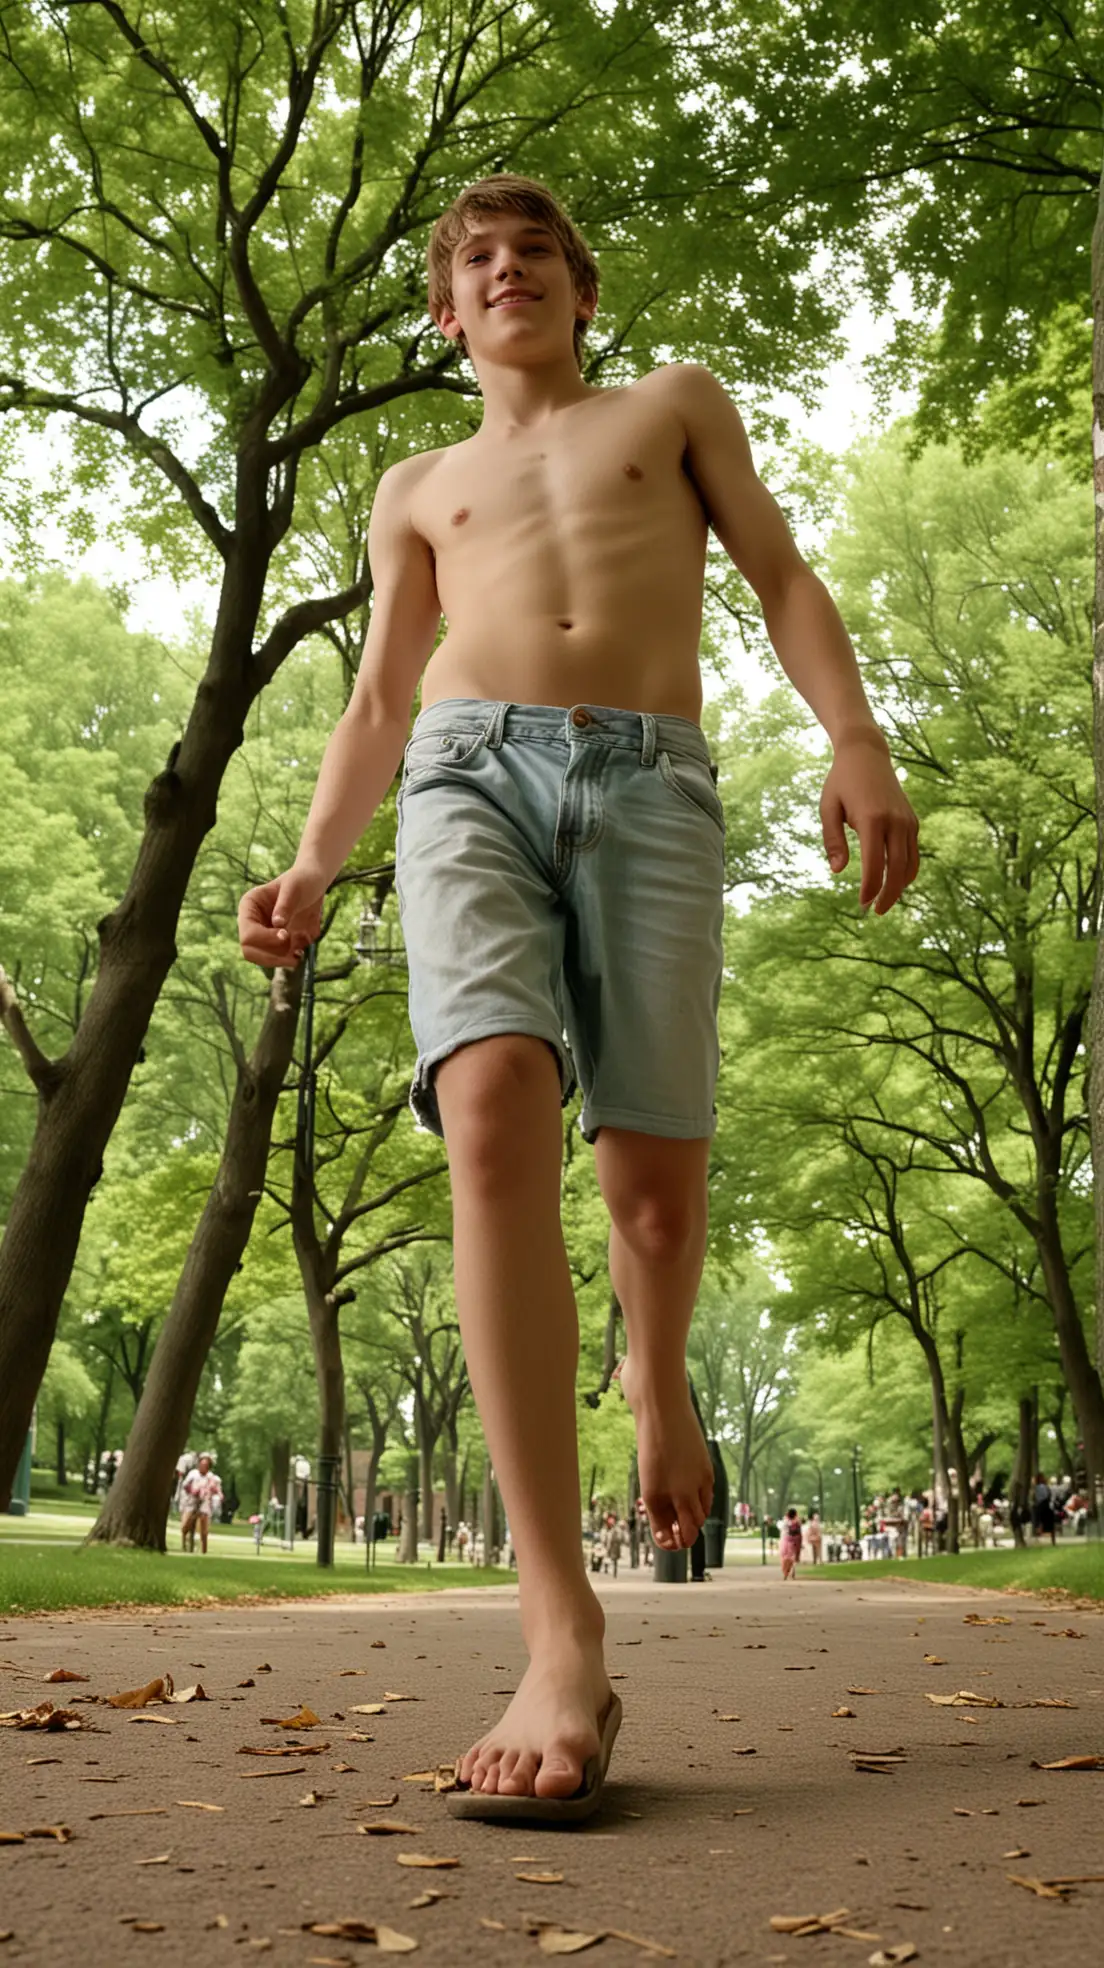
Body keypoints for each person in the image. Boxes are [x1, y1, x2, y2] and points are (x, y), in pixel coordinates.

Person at [237, 173, 919, 1815]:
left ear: (578, 292)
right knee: (486, 1109)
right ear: (443, 314)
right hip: (461, 777)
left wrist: (851, 737)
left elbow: (778, 573)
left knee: (651, 1199)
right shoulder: (415, 486)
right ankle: (559, 1631)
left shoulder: (667, 408)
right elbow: (382, 695)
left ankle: (656, 1374)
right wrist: (321, 862)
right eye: (473, 258)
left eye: (532, 251)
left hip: (650, 781)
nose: (503, 269)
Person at [180, 1453, 223, 1555]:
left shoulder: (211, 1477)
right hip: (191, 1502)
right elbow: (185, 1485)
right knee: (185, 1525)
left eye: (205, 1465)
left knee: (204, 1529)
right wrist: (193, 1491)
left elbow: (217, 1489)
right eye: (201, 1464)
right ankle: (184, 1545)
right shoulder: (193, 1474)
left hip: (204, 1503)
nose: (202, 1467)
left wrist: (217, 1493)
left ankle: (204, 1550)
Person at [780, 1507, 803, 1582]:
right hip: (795, 1540)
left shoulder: (785, 1521)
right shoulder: (797, 1521)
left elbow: (782, 1530)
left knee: (785, 1557)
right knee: (792, 1557)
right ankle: (792, 1570)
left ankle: (785, 1572)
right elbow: (799, 1532)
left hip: (786, 1540)